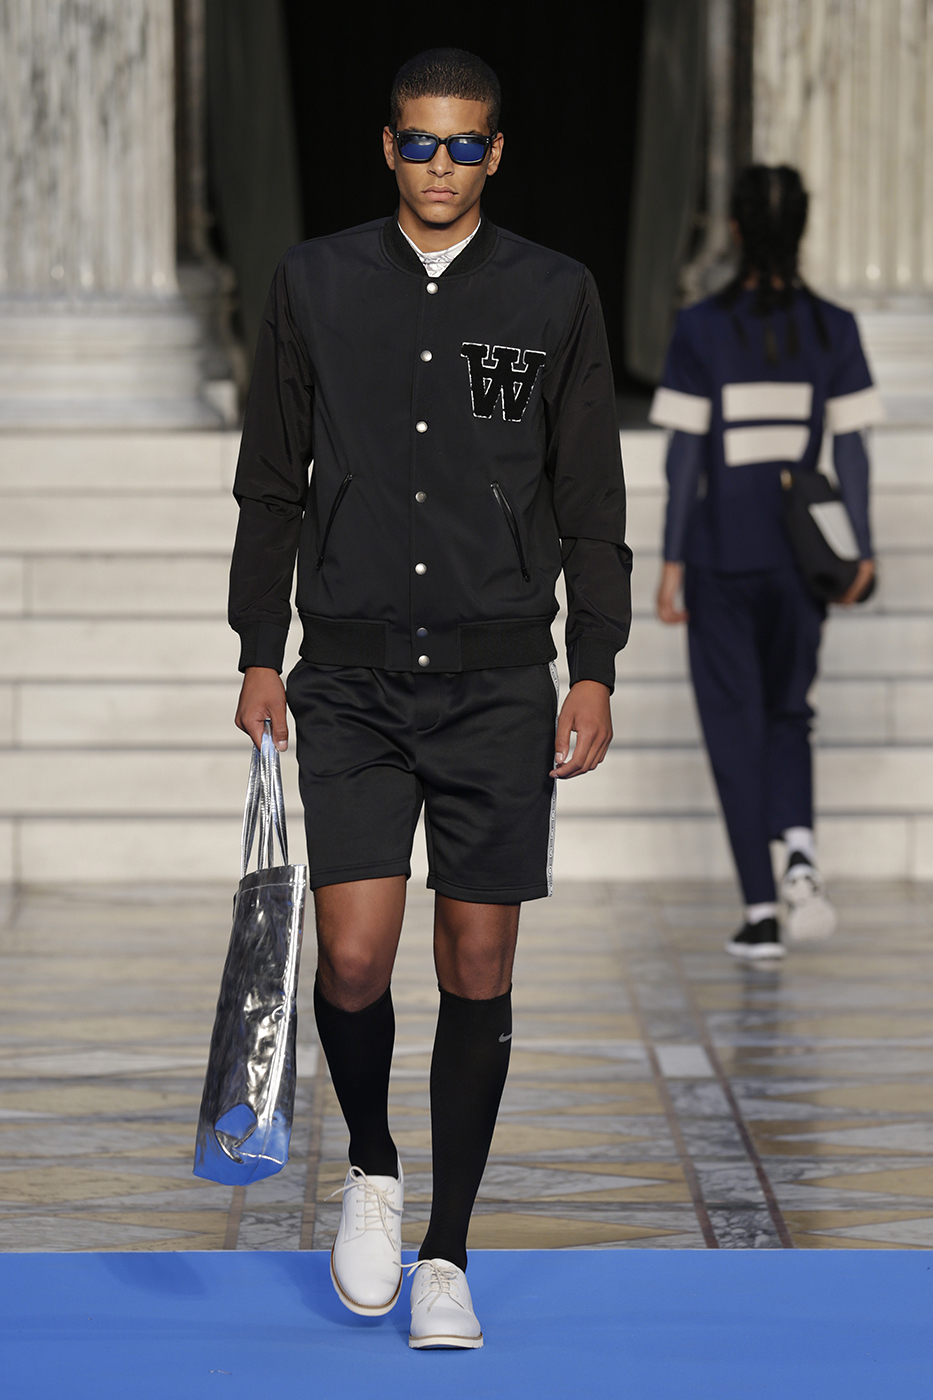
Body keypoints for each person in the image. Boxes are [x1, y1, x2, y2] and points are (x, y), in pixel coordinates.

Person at [228, 48, 631, 1348]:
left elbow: (591, 499)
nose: (440, 165)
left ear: (496, 153)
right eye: (419, 142)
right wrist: (257, 647)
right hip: (348, 674)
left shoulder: (553, 294)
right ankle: (373, 1166)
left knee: (477, 959)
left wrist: (595, 663)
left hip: (497, 680)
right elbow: (272, 478)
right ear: (387, 146)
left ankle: (448, 1249)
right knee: (351, 957)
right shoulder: (314, 281)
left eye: (464, 145)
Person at [651, 164, 881, 961]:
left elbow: (684, 461)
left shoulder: (700, 327)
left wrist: (671, 561)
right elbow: (851, 454)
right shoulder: (834, 327)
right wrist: (857, 550)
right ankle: (801, 856)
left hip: (721, 555)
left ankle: (759, 911)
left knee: (733, 726)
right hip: (800, 561)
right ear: (802, 227)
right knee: (788, 713)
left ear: (735, 228)